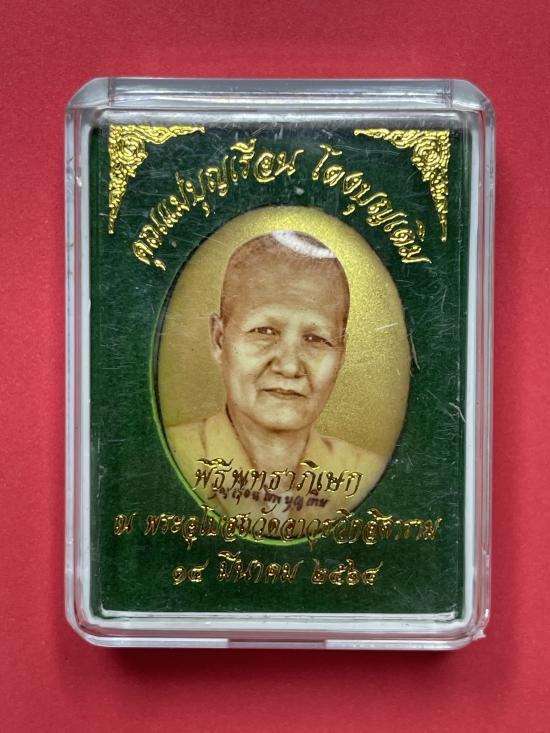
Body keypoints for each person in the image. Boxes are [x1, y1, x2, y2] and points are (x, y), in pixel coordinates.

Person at [165, 230, 388, 526]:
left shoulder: (367, 476)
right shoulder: (171, 461)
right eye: (265, 331)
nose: (289, 366)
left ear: (342, 354)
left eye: (316, 338)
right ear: (219, 339)